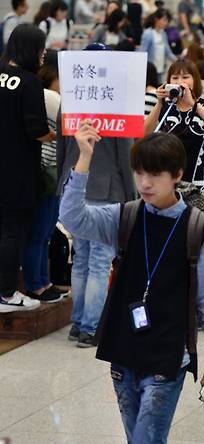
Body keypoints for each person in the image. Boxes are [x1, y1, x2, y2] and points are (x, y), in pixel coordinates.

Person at [59, 128, 204, 443]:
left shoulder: (196, 229)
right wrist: (84, 157)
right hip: (123, 351)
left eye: (155, 174)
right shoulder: (124, 217)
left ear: (177, 174)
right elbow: (72, 218)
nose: (145, 183)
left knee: (146, 439)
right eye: (139, 173)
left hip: (167, 356)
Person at [56, 43, 137, 347]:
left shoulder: (70, 101)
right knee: (101, 261)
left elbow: (64, 151)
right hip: (107, 190)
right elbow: (124, 154)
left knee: (81, 259)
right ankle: (91, 327)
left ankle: (78, 323)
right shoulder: (116, 101)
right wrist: (131, 194)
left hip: (75, 185)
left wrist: (62, 186)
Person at [0, 24, 53, 313]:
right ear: (31, 49)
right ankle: (6, 294)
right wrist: (57, 135)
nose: (43, 55)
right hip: (17, 170)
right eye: (42, 49)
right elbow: (36, 131)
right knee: (12, 232)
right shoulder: (29, 82)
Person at [144, 59, 204, 217]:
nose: (180, 82)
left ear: (195, 80)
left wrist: (194, 105)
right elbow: (146, 133)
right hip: (170, 183)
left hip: (200, 183)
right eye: (174, 78)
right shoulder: (166, 108)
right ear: (168, 82)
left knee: (200, 230)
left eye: (185, 77)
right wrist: (159, 103)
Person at [21, 50, 67, 304]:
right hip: (46, 171)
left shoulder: (45, 94)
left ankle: (41, 281)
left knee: (44, 232)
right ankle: (36, 284)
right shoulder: (49, 96)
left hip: (48, 171)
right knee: (40, 232)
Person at [139, 9, 177, 83]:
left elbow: (168, 52)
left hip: (161, 69)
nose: (166, 23)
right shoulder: (148, 33)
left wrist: (178, 60)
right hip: (150, 70)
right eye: (164, 20)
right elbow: (142, 52)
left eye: (167, 21)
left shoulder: (163, 33)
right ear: (156, 19)